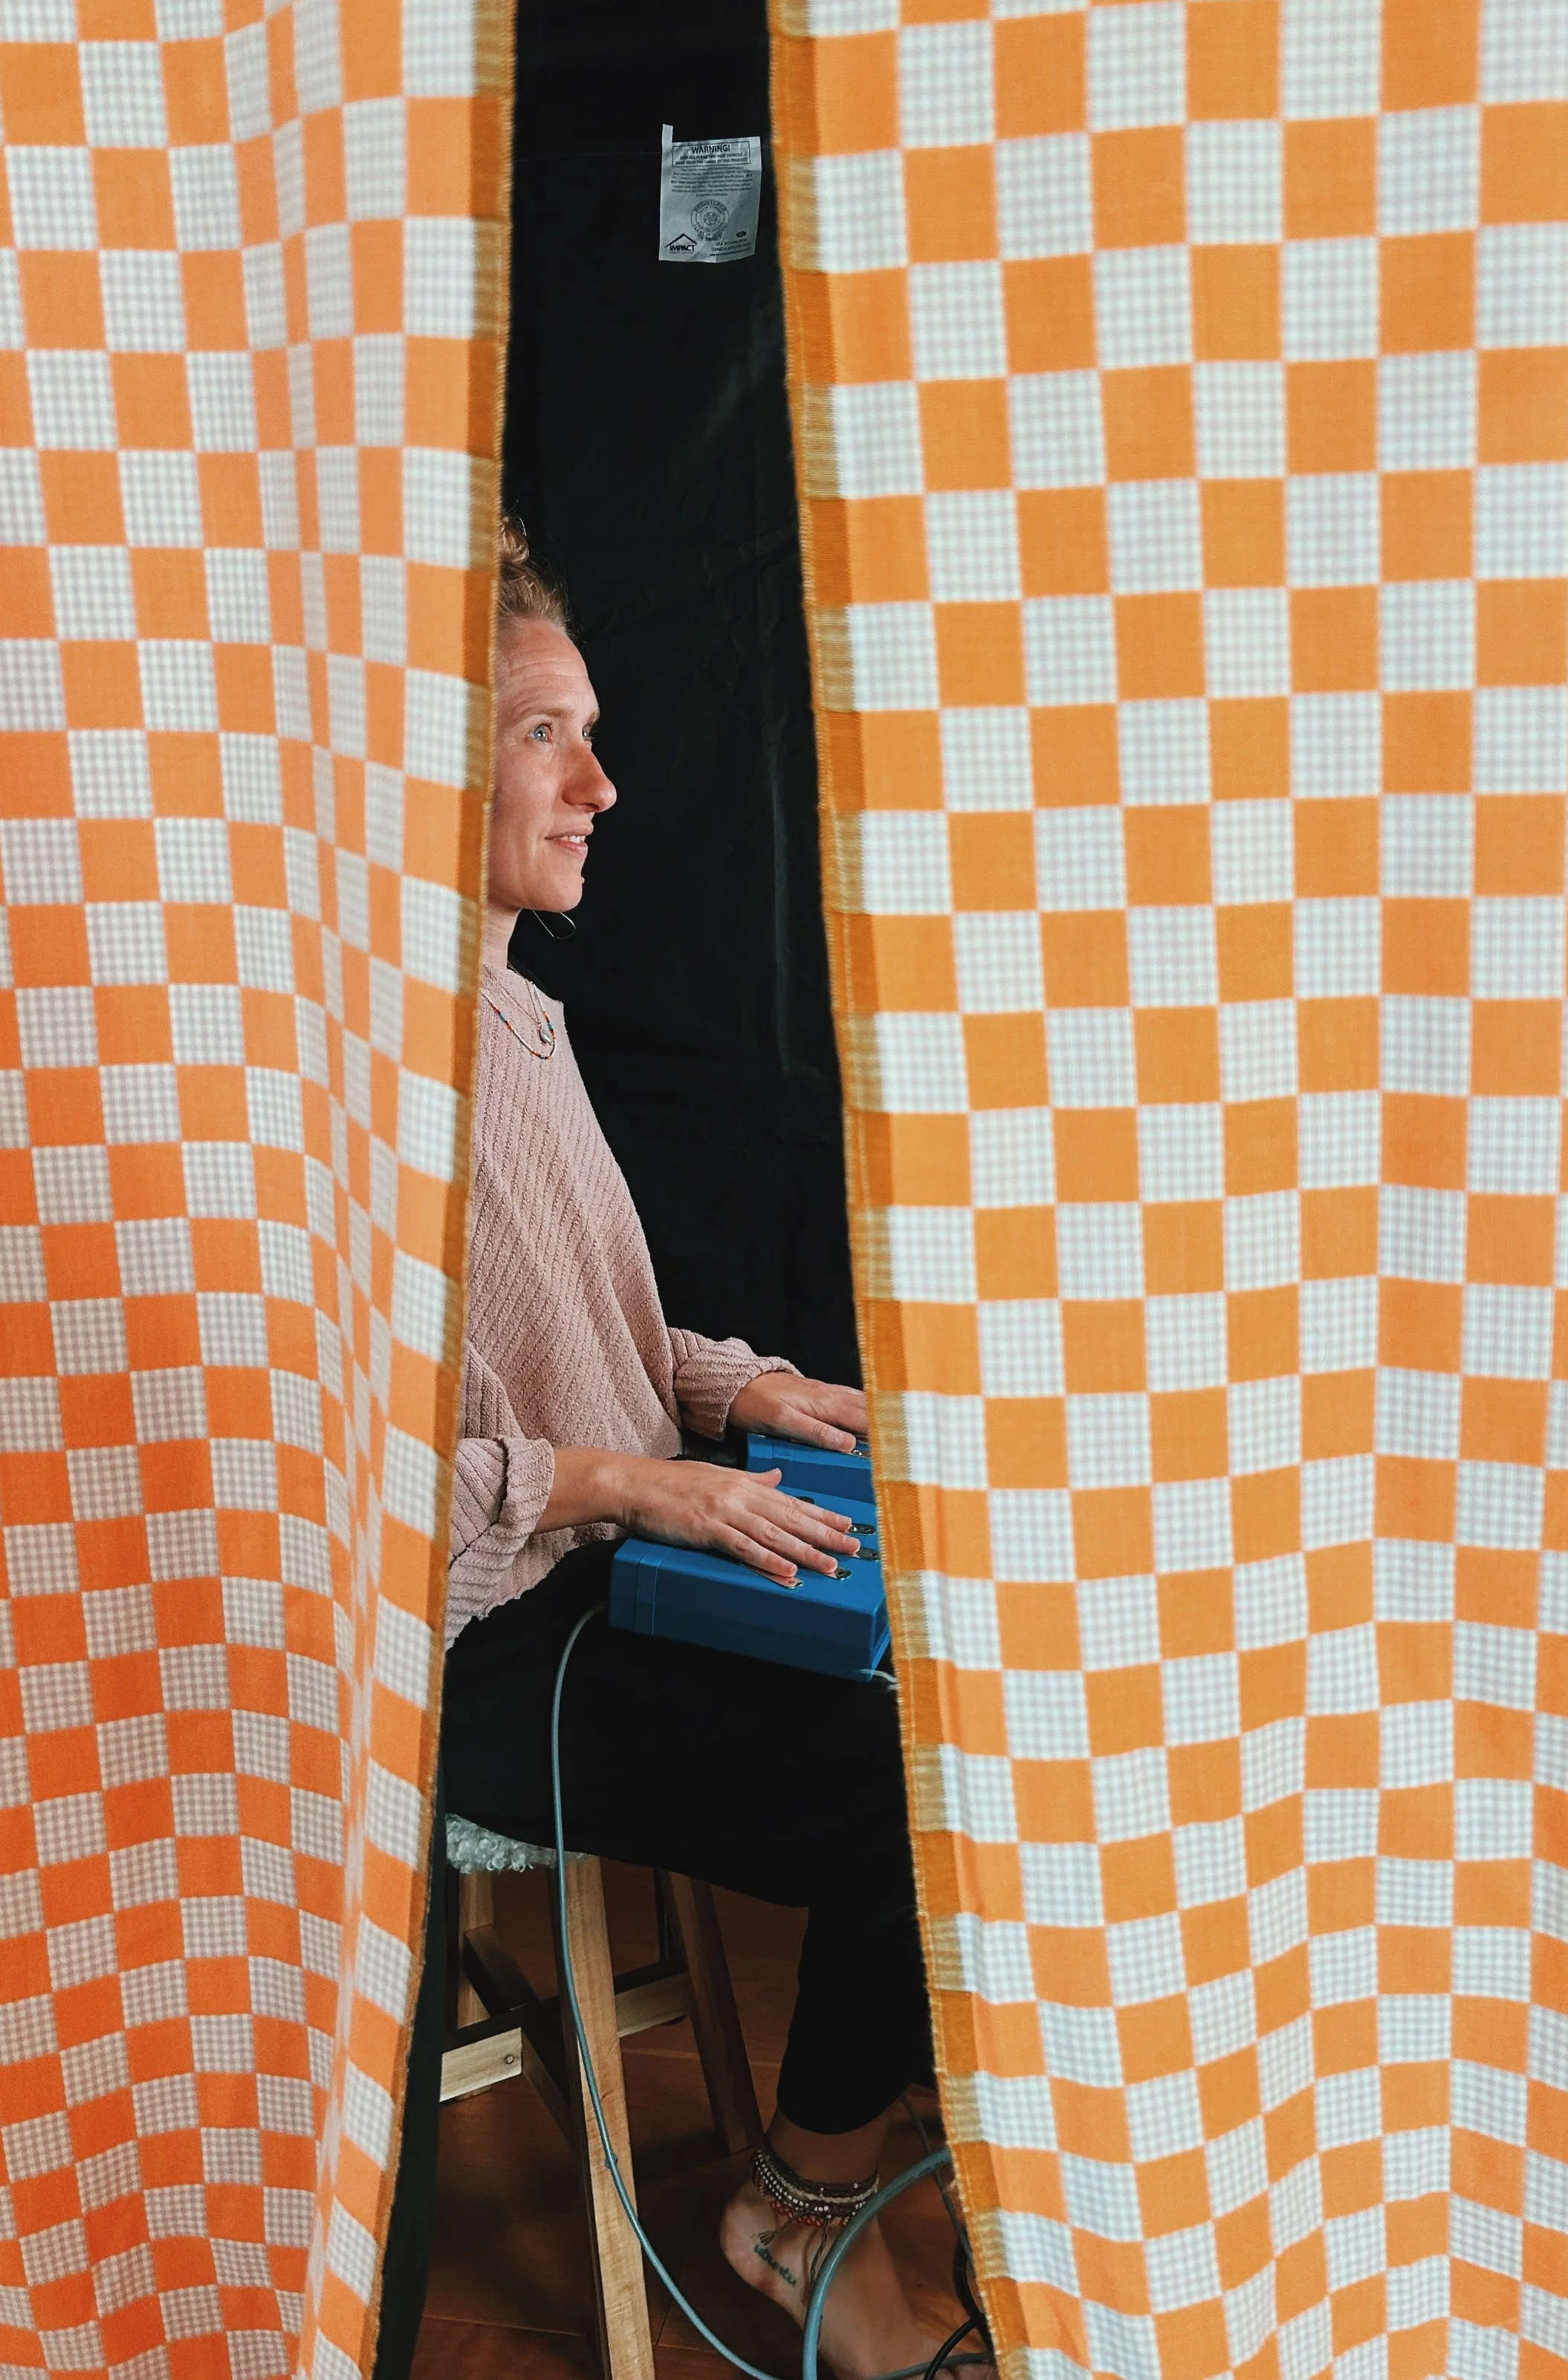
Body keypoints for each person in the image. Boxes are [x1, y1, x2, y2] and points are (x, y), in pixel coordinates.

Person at [418, 520, 953, 2380]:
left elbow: (594, 1334)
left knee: (968, 1674)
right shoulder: (353, 1072)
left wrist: (737, 1396)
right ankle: (797, 2206)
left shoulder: (516, 1023)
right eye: (539, 733)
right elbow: (361, 1499)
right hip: (488, 1647)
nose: (598, 784)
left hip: (603, 1564)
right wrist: (634, 1482)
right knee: (912, 1766)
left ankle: (862, 2143)